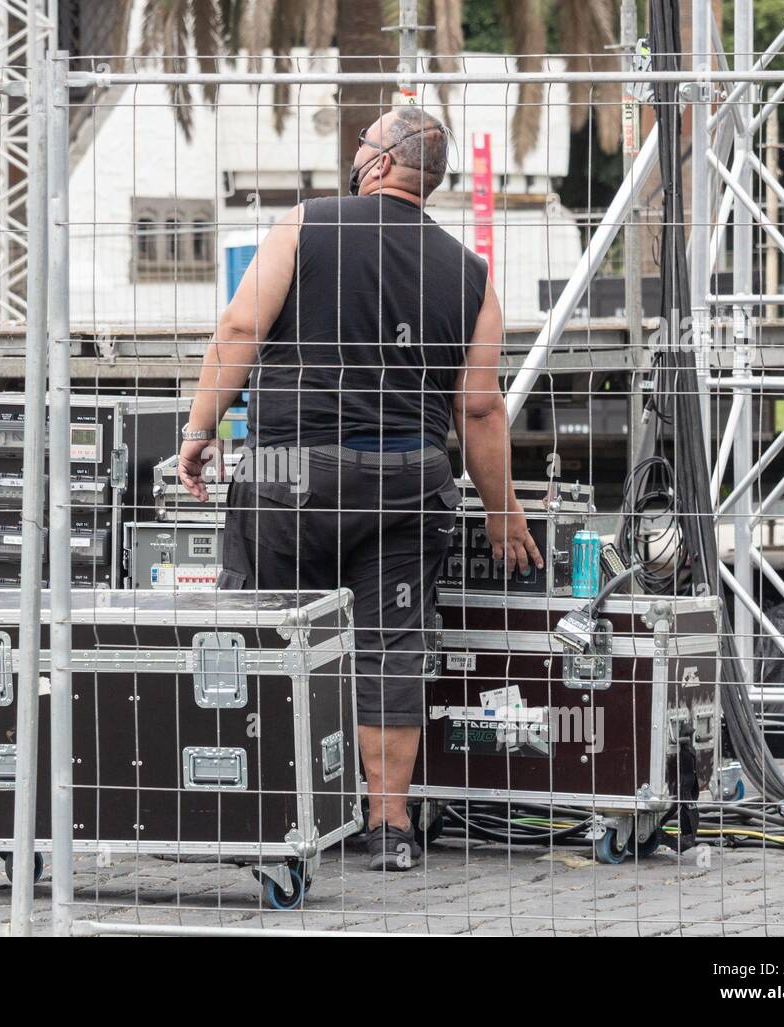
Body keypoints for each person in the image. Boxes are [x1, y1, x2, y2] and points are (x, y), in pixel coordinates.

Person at [177, 107, 542, 871]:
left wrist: (198, 427)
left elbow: (241, 328)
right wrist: (504, 513)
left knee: (272, 634)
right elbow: (478, 405)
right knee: (392, 649)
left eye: (361, 146)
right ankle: (390, 827)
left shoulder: (307, 225)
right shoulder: (470, 274)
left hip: (290, 476)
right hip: (408, 481)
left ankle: (271, 811)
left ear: (378, 164)